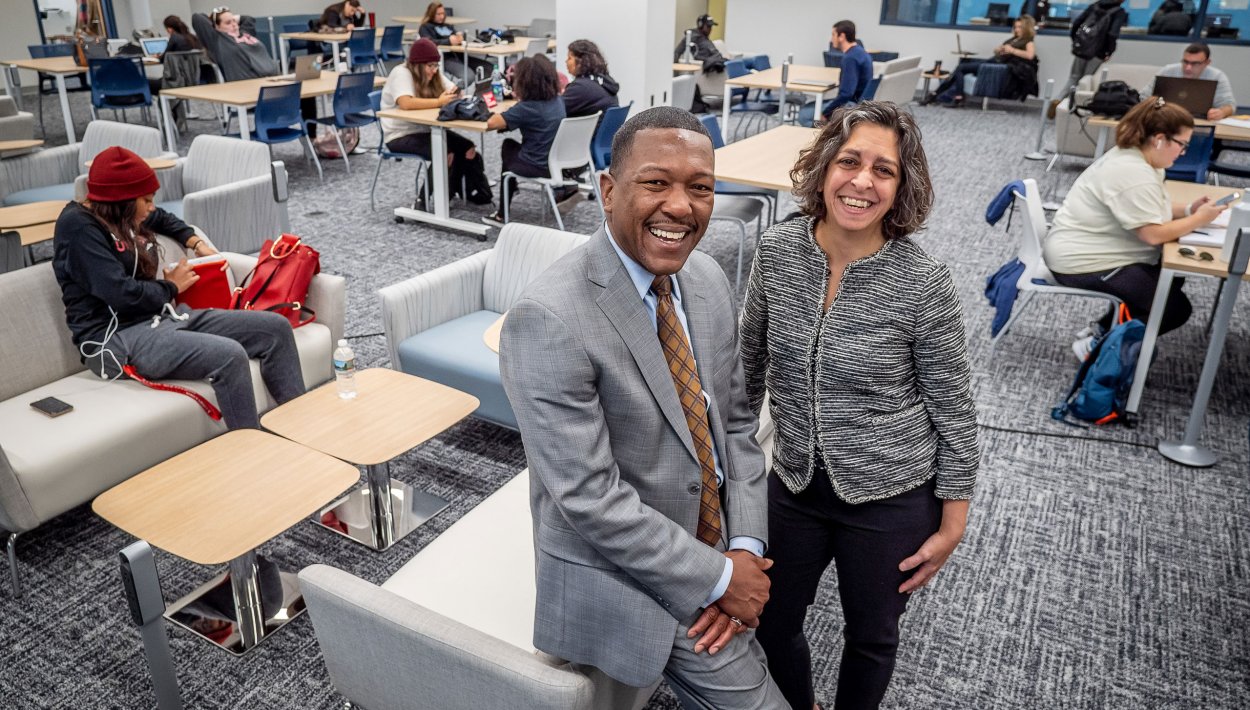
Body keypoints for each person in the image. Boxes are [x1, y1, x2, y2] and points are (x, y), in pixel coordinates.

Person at [498, 105, 786, 708]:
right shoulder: (549, 318)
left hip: (714, 542)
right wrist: (719, 579)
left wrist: (745, 548)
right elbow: (590, 500)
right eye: (656, 182)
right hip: (622, 570)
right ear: (608, 190)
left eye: (700, 188)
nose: (681, 206)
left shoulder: (705, 277)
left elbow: (735, 424)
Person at [741, 101, 980, 710]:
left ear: (902, 188)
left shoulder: (922, 281)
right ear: (824, 168)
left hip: (892, 494)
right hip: (793, 480)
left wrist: (954, 519)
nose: (863, 181)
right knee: (770, 620)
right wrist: (731, 470)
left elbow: (952, 405)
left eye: (885, 170)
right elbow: (747, 369)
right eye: (850, 161)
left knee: (872, 637)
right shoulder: (777, 250)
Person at [52, 147, 306, 431]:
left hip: (162, 318)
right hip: (113, 341)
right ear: (121, 201)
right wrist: (171, 286)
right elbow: (122, 295)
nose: (150, 207)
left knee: (275, 329)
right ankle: (251, 451)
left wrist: (195, 241)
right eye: (146, 200)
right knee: (229, 355)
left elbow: (161, 218)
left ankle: (298, 431)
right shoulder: (78, 228)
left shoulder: (117, 212)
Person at [1043, 96, 1228, 355]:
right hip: (1081, 262)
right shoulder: (1133, 173)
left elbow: (1149, 208)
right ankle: (1096, 348)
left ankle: (1104, 330)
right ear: (1160, 138)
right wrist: (1199, 220)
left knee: (1170, 277)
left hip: (1089, 250)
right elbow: (1152, 235)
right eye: (1182, 144)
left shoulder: (1139, 158)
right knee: (1174, 309)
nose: (1183, 152)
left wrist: (1188, 210)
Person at [379, 38, 491, 207]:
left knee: (467, 148)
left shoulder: (433, 73)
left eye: (436, 66)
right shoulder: (401, 73)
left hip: (424, 129)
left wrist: (456, 94)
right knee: (444, 152)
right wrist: (439, 102)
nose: (433, 70)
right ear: (417, 65)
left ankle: (449, 193)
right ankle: (422, 201)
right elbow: (406, 103)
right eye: (430, 66)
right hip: (399, 134)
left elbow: (451, 90)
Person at [482, 56, 577, 227]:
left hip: (537, 165)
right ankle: (510, 190)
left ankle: (502, 214)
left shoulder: (527, 108)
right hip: (557, 163)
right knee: (513, 148)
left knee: (508, 146)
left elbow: (492, 123)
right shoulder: (557, 101)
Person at [923, 15, 1038, 107]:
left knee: (961, 68)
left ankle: (946, 95)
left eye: (1020, 27)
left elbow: (1030, 56)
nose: (1017, 29)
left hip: (994, 67)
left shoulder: (1028, 41)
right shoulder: (1014, 39)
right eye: (1016, 27)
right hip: (992, 62)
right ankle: (941, 95)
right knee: (962, 66)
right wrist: (999, 49)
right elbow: (999, 51)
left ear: (1026, 28)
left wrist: (1012, 50)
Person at [1052, 0, 1127, 116]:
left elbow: (1077, 23)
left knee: (1074, 77)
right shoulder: (1119, 12)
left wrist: (1078, 42)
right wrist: (1109, 51)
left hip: (1082, 48)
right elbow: (1112, 34)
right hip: (1099, 52)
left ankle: (1059, 99)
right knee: (1086, 81)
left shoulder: (1095, 6)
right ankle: (1075, 109)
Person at [799, 20, 872, 127]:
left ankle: (826, 138)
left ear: (841, 36)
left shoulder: (850, 58)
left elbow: (846, 94)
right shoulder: (862, 52)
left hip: (852, 106)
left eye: (833, 34)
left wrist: (825, 113)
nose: (831, 39)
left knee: (804, 114)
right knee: (812, 108)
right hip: (861, 103)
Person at [1146, 42, 1237, 121]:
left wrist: (1221, 112)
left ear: (1207, 63)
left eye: (1195, 64)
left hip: (1201, 123)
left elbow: (1229, 105)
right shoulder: (1168, 71)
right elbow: (1144, 96)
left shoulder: (1217, 76)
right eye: (1185, 62)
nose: (1188, 68)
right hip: (1165, 119)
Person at [419, 2, 492, 83]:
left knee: (488, 67)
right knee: (469, 76)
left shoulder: (447, 26)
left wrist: (460, 38)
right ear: (431, 14)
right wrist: (448, 41)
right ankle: (453, 92)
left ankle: (482, 92)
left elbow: (456, 37)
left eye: (443, 14)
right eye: (438, 14)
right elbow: (428, 42)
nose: (442, 16)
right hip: (445, 58)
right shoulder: (425, 27)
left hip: (460, 55)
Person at [673, 14, 726, 113]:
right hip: (706, 67)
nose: (710, 29)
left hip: (718, 61)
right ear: (701, 25)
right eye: (708, 26)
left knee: (747, 63)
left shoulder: (705, 38)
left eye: (711, 27)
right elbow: (677, 52)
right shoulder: (692, 38)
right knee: (748, 63)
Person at [562, 39, 620, 119]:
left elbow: (556, 112)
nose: (566, 61)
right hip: (605, 131)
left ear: (580, 61)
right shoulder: (605, 81)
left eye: (569, 58)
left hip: (587, 131)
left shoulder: (580, 87)